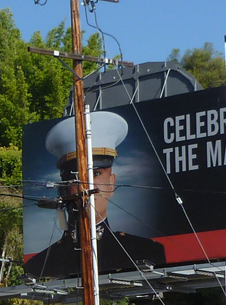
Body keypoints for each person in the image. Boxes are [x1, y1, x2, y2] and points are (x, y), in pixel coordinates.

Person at [23, 111, 167, 278]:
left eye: (96, 174)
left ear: (112, 182)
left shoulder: (146, 252)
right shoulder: (39, 266)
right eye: (76, 178)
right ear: (65, 189)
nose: (87, 186)